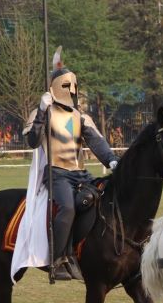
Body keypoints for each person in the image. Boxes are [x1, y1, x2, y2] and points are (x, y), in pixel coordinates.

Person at [22, 61, 118, 281]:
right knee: (66, 208)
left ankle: (83, 253)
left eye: (73, 85)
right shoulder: (43, 113)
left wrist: (112, 160)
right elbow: (33, 141)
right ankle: (57, 261)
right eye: (66, 85)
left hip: (80, 174)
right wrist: (41, 111)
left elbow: (97, 143)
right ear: (55, 87)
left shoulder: (80, 116)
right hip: (57, 173)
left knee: (99, 199)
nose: (71, 90)